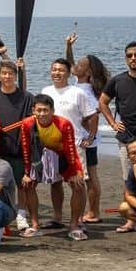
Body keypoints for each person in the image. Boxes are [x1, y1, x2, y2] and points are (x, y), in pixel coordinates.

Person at [19, 94, 87, 240]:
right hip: (41, 156)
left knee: (78, 184)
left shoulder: (64, 123)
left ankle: (75, 225)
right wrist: (27, 172)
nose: (42, 114)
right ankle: (35, 225)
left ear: (53, 110)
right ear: (33, 111)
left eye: (46, 110)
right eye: (39, 110)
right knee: (28, 184)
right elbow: (26, 149)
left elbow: (70, 150)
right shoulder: (26, 123)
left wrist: (74, 173)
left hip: (63, 156)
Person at [42, 58, 97, 230]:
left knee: (77, 183)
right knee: (55, 182)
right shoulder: (46, 91)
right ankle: (58, 217)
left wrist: (91, 137)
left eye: (61, 70)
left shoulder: (77, 92)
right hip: (51, 145)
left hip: (74, 144)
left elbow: (92, 115)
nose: (57, 73)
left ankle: (78, 220)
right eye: (54, 69)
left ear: (68, 73)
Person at [66, 34, 108, 225]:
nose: (75, 67)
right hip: (84, 140)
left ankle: (93, 212)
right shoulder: (81, 85)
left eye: (80, 65)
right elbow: (70, 64)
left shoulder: (85, 91)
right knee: (90, 175)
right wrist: (68, 46)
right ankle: (92, 211)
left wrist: (89, 136)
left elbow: (92, 116)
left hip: (85, 141)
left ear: (88, 72)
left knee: (91, 177)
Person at [0, 59, 32, 230]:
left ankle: (21, 215)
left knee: (22, 184)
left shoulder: (26, 97)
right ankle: (0, 214)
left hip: (19, 148)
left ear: (15, 76)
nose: (7, 77)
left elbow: (31, 122)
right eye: (4, 73)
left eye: (10, 74)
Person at [99, 42, 136, 187]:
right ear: (126, 58)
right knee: (129, 180)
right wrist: (113, 123)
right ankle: (131, 207)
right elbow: (102, 102)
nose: (133, 58)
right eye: (129, 55)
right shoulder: (117, 80)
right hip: (126, 139)